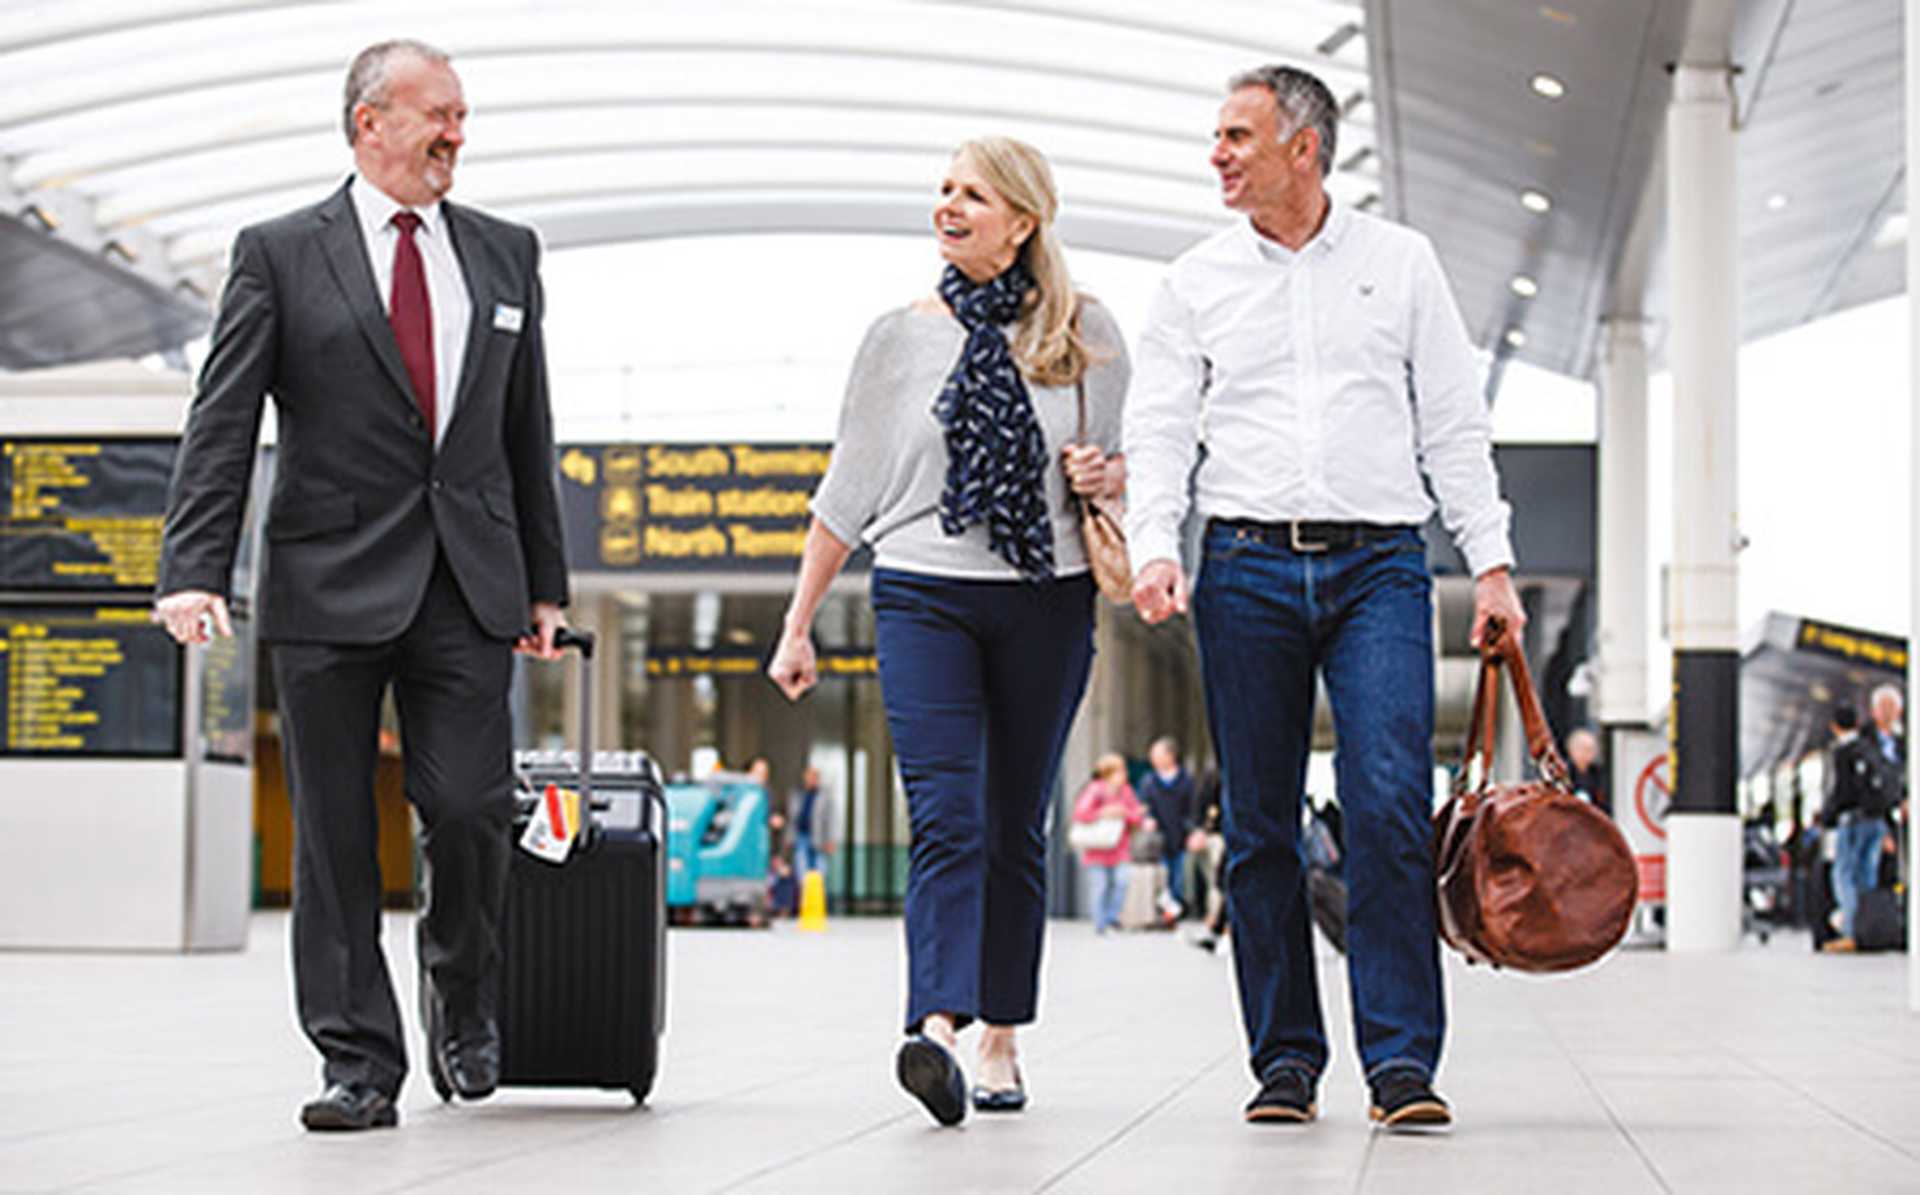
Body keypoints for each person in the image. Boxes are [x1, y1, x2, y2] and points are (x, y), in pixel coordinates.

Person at [151, 40, 567, 1132]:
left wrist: (545, 584)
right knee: (333, 836)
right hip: (328, 580)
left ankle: (463, 997)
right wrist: (194, 568)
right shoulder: (282, 253)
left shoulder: (506, 252)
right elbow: (223, 420)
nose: (456, 137)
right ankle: (356, 1059)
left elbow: (528, 427)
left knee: (472, 808)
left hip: (466, 581)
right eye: (438, 115)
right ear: (368, 122)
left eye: (464, 117)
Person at [1125, 64, 1525, 1131]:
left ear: (1306, 147)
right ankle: (1286, 1062)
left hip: (1381, 567)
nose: (1217, 154)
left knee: (1390, 800)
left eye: (1237, 136)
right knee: (1258, 824)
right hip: (1244, 565)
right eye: (1215, 135)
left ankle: (1400, 1060)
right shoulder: (1195, 280)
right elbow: (1159, 426)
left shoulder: (1401, 265)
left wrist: (1489, 560)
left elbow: (1452, 419)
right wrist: (1154, 546)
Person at [766, 136, 1128, 1126]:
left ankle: (1004, 1032)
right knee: (947, 814)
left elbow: (1123, 464)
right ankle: (935, 1027)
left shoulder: (1087, 333)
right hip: (923, 592)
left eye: (973, 194)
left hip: (1047, 596)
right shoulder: (897, 339)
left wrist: (1109, 475)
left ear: (1022, 219)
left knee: (1015, 821)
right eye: (944, 190)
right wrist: (798, 623)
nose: (949, 206)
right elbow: (849, 490)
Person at [1822, 693, 1903, 952]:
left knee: (1844, 874)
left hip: (1853, 820)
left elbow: (1841, 791)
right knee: (1867, 875)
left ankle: (1851, 931)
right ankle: (1867, 929)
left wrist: (1828, 816)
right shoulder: (1870, 748)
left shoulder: (1843, 751)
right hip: (1876, 820)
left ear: (1834, 726)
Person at [1073, 754, 1146, 934]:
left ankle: (1112, 917)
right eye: (1119, 771)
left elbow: (1136, 815)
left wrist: (1123, 813)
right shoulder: (1094, 790)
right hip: (1097, 850)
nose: (1124, 774)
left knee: (1121, 882)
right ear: (1108, 773)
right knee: (1100, 887)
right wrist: (1103, 813)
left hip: (1120, 848)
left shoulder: (1126, 792)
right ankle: (1100, 924)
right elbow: (1081, 814)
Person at [1137, 736, 1197, 911]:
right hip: (1158, 839)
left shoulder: (1186, 781)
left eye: (1157, 754)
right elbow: (1143, 806)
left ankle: (1176, 911)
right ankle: (1163, 912)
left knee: (1179, 879)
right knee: (1162, 877)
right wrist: (1147, 818)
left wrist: (1192, 831)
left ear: (1171, 756)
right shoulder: (1148, 782)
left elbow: (1192, 809)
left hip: (1180, 836)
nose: (1153, 759)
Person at [790, 765, 837, 874]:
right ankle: (804, 890)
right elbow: (792, 818)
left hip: (819, 838)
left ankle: (817, 891)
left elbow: (831, 818)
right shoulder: (797, 793)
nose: (812, 779)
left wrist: (831, 839)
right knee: (801, 869)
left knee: (820, 870)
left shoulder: (824, 795)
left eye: (815, 777)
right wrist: (789, 837)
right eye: (809, 776)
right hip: (800, 836)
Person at [1565, 728, 1610, 817]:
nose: (1589, 754)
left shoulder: (1598, 773)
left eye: (1592, 749)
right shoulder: (1564, 772)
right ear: (1572, 750)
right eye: (1585, 749)